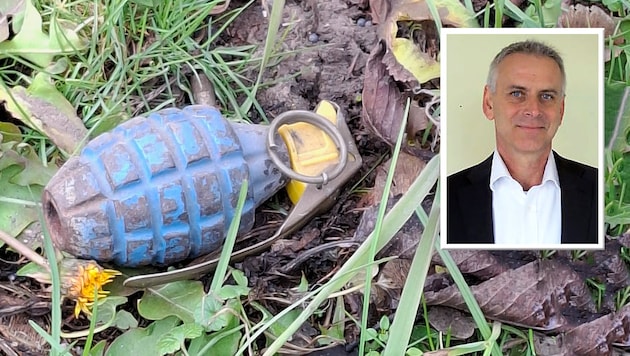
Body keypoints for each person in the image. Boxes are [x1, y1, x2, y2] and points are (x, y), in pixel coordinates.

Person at [446, 40, 598, 246]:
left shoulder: (600, 190)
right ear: (489, 103)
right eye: (517, 94)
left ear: (561, 110)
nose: (534, 110)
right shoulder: (446, 197)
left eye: (546, 96)